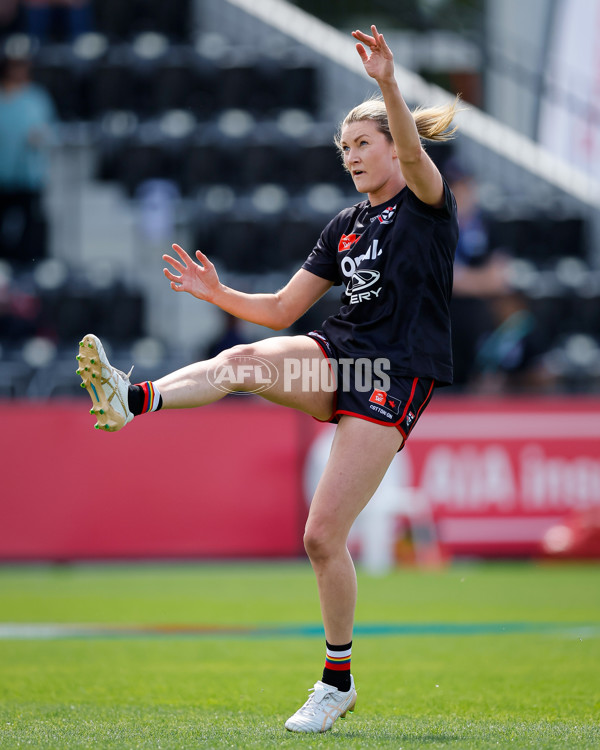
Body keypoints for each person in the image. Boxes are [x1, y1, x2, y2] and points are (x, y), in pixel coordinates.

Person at [77, 25, 460, 734]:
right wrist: (216, 294)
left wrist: (385, 84)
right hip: (340, 350)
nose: (351, 157)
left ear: (391, 145)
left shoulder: (426, 203)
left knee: (321, 537)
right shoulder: (345, 224)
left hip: (394, 371)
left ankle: (336, 680)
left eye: (361, 145)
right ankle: (132, 399)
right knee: (241, 364)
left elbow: (413, 149)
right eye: (343, 149)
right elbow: (283, 308)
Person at [0, 40, 56, 264]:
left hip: (28, 176)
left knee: (32, 229)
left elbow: (50, 132)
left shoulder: (37, 98)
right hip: (2, 175)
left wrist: (40, 136)